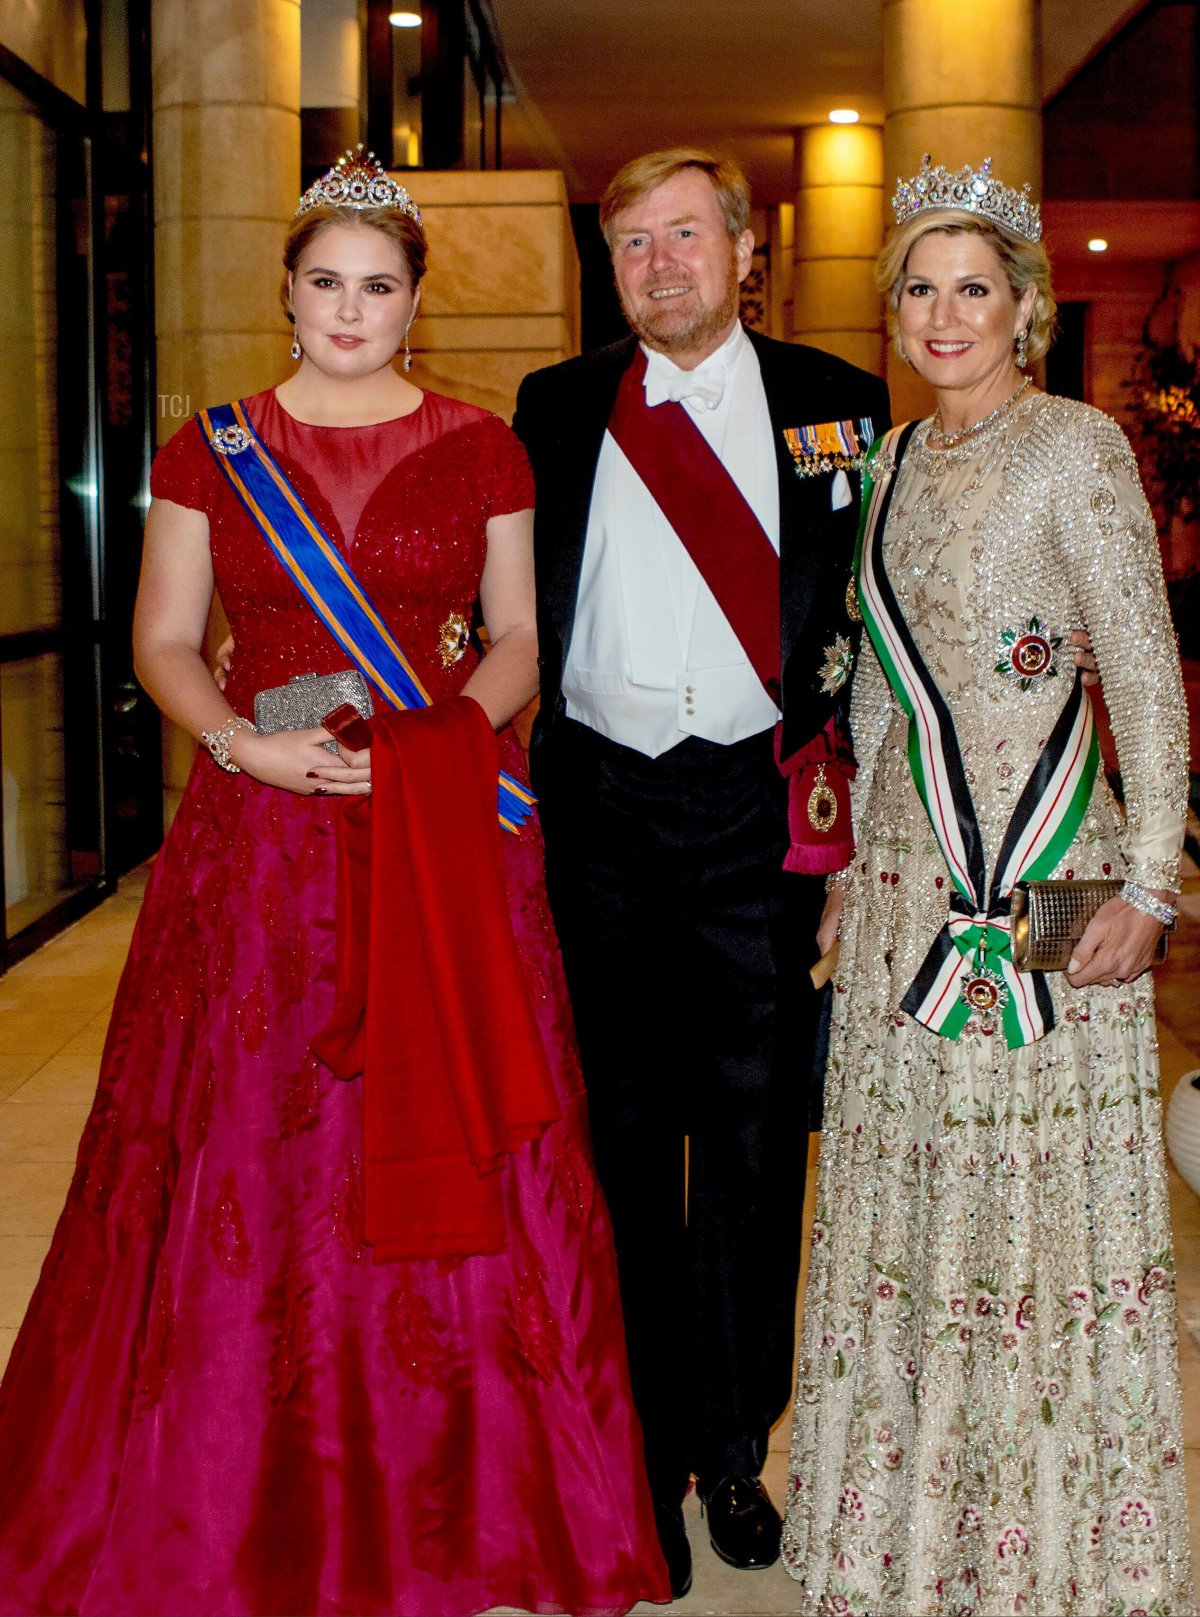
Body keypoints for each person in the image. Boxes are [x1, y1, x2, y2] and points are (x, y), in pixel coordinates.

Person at [0, 150, 669, 1617]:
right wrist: (245, 747)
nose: (350, 309)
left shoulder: (484, 445)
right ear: (287, 292)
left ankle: (466, 1493)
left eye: (379, 286)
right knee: (252, 1143)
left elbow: (513, 639)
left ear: (416, 302)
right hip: (261, 845)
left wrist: (442, 743)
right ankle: (243, 1487)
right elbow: (164, 639)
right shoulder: (211, 448)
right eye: (325, 282)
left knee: (459, 1121)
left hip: (441, 828)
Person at [783, 156, 1194, 1616]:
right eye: (919, 287)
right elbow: (887, 698)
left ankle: (1053, 1533)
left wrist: (1153, 880)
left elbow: (1141, 670)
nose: (945, 314)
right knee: (911, 1193)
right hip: (908, 890)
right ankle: (913, 1527)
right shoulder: (886, 463)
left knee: (1035, 1188)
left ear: (1024, 308)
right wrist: (844, 870)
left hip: (1056, 873)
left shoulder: (1077, 448)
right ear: (891, 309)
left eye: (975, 287)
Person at [512, 147, 891, 1596]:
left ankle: (735, 1446)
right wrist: (282, 693)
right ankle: (644, 1450)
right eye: (630, 245)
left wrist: (861, 834)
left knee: (746, 1148)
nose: (658, 264)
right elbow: (466, 613)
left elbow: (883, 629)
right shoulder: (555, 409)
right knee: (621, 1146)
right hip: (597, 814)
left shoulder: (837, 410)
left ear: (745, 250)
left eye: (685, 236)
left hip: (757, 818)